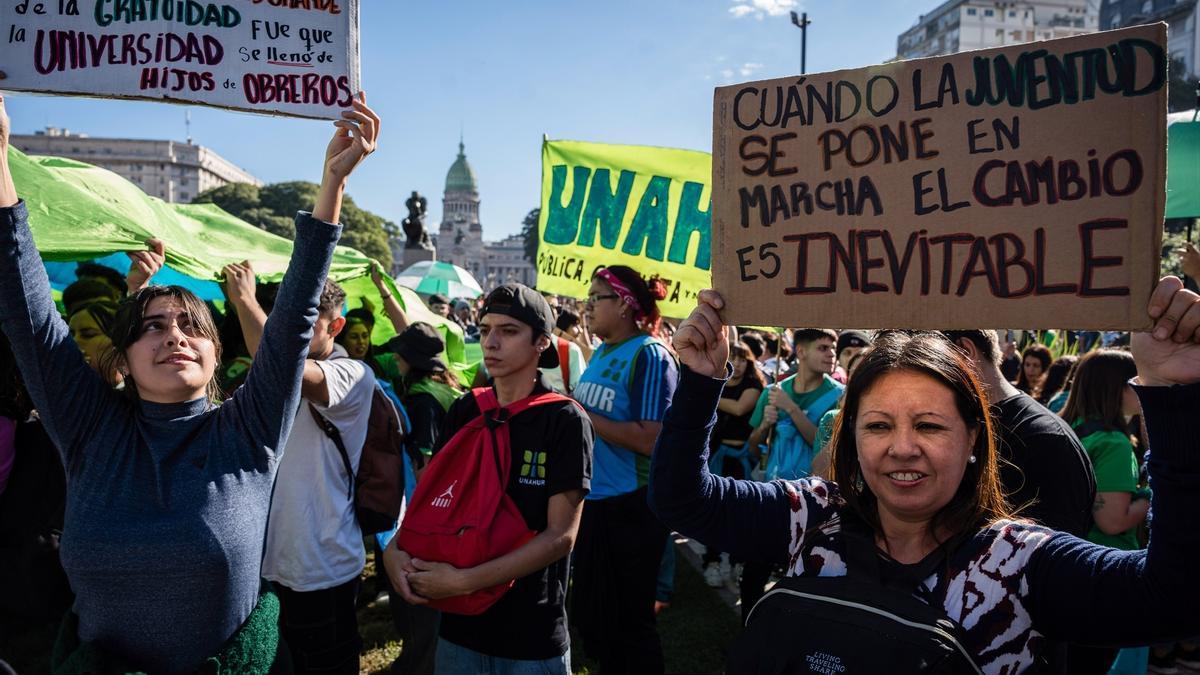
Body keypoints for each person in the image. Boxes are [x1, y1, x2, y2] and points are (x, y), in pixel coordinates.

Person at [0, 90, 380, 670]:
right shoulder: (87, 430)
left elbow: (295, 315)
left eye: (191, 325)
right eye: (152, 326)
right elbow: (28, 312)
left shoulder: (249, 433)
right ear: (124, 357)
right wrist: (0, 153)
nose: (174, 335)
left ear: (215, 352)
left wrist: (332, 184)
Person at [652, 278, 1200, 674]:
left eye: (930, 425)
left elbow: (1174, 594)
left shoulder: (1016, 560)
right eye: (878, 425)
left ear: (973, 442)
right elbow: (683, 500)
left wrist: (1174, 398)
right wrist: (700, 381)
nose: (902, 448)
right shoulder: (813, 515)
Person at [385, 283, 593, 674]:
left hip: (530, 634)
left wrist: (464, 581)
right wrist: (394, 550)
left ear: (541, 344)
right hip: (459, 628)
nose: (491, 342)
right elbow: (431, 498)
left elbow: (561, 536)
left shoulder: (564, 419)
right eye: (485, 330)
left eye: (509, 331)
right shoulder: (466, 407)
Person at [226, 264, 377, 674]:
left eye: (304, 324)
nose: (288, 331)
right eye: (281, 321)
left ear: (336, 326)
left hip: (321, 566)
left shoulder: (353, 374)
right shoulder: (257, 377)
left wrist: (245, 300)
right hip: (266, 563)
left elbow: (281, 363)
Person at [569, 265, 677, 674]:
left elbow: (651, 438)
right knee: (596, 617)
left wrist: (579, 414)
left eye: (599, 297)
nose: (589, 305)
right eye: (589, 297)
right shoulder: (601, 351)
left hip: (631, 506)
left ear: (627, 305)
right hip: (595, 499)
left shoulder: (650, 354)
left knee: (630, 624)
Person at [940, 330, 1095, 539]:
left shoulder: (1046, 442)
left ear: (966, 352)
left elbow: (1055, 555)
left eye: (928, 360)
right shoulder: (966, 422)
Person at [1058, 349, 1150, 674]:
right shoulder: (1114, 443)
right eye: (1137, 380)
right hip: (1107, 575)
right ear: (1118, 388)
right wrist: (1149, 496)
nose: (1144, 385)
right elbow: (1113, 521)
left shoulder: (1063, 423)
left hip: (1062, 570)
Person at [380, 321, 463, 675]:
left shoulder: (422, 399)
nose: (395, 358)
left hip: (432, 510)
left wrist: (418, 521)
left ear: (409, 359)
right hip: (459, 504)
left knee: (419, 597)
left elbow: (425, 465)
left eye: (400, 353)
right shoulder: (450, 387)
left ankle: (420, 664)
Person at [700, 340, 765, 588]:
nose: (736, 364)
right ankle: (712, 561)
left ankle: (739, 562)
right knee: (714, 509)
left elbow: (739, 409)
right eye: (733, 358)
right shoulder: (719, 379)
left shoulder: (753, 385)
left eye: (741, 359)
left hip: (741, 459)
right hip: (714, 455)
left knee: (740, 511)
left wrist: (709, 393)